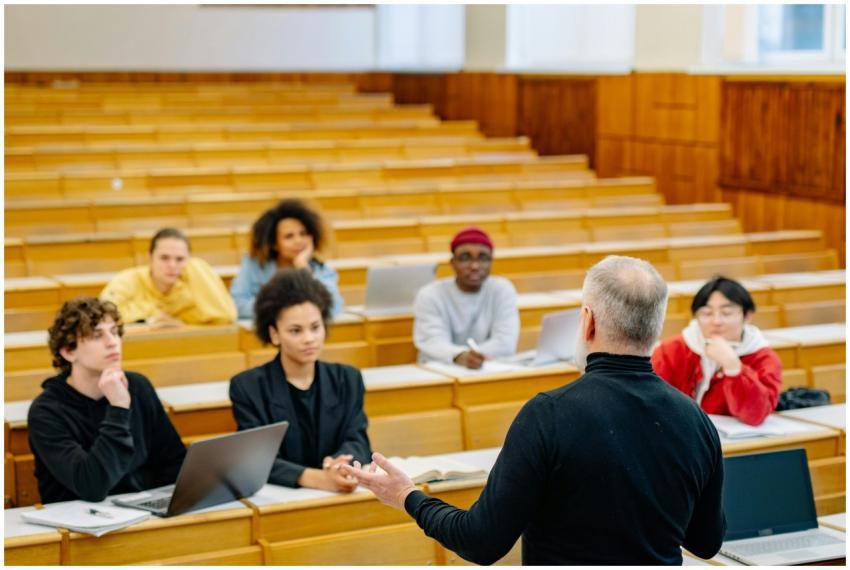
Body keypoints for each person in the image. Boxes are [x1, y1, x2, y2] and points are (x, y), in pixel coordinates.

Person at [343, 256, 725, 565]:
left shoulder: (550, 415)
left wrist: (407, 495)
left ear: (587, 320)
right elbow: (706, 544)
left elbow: (481, 542)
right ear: (655, 327)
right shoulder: (694, 419)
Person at [27, 297, 186, 504]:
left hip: (142, 514)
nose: (112, 342)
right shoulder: (46, 412)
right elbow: (92, 486)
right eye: (96, 335)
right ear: (68, 351)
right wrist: (119, 408)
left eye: (114, 332)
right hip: (79, 526)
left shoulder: (138, 386)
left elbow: (173, 462)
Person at [229, 268, 370, 492]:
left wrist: (341, 464)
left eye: (316, 327)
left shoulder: (347, 379)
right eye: (295, 331)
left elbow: (358, 440)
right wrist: (318, 478)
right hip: (280, 497)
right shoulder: (247, 387)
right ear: (274, 334)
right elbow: (255, 460)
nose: (309, 339)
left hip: (338, 494)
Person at [652, 276, 782, 426]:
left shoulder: (763, 358)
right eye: (706, 313)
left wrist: (734, 367)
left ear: (747, 316)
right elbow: (653, 400)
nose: (716, 321)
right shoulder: (672, 350)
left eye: (726, 313)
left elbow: (755, 415)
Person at [412, 226, 519, 369]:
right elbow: (432, 341)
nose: (475, 266)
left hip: (490, 369)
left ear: (491, 262)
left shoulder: (501, 289)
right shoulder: (430, 294)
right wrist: (460, 356)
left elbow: (505, 342)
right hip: (441, 370)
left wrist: (474, 357)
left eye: (483, 258)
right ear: (453, 263)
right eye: (465, 258)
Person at [230, 198, 344, 320]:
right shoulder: (254, 264)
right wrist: (286, 308)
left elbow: (334, 308)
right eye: (289, 236)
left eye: (303, 234)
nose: (298, 241)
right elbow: (237, 304)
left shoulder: (319, 269)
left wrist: (303, 268)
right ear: (274, 244)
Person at [100, 227, 236, 326]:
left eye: (180, 259)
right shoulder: (128, 280)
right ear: (150, 258)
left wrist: (197, 265)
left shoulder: (189, 289)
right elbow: (103, 315)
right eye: (164, 258)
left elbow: (225, 317)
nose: (172, 265)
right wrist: (155, 315)